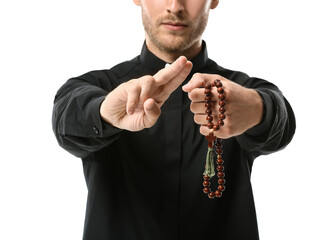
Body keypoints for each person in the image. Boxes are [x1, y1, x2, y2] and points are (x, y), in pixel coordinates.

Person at [52, 0, 296, 239]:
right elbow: (67, 117)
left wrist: (256, 109)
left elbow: (281, 120)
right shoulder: (97, 87)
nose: (175, 6)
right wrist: (105, 112)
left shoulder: (237, 92)